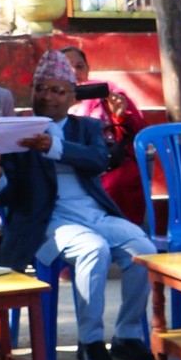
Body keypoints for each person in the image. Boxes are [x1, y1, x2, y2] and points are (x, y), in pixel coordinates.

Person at [0, 50, 156, 360]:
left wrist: (54, 147)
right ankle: (90, 342)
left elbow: (98, 160)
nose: (47, 96)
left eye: (57, 90)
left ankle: (127, 335)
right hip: (45, 221)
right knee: (93, 249)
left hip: (93, 213)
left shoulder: (86, 127)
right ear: (32, 91)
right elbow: (8, 195)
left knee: (143, 249)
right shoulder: (15, 129)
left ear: (72, 97)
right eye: (41, 88)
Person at [63, 45, 149, 227]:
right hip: (72, 162)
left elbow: (138, 132)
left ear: (88, 69)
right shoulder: (53, 101)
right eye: (67, 68)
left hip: (112, 160)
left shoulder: (108, 93)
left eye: (80, 67)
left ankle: (126, 233)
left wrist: (120, 114)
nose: (74, 72)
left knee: (121, 180)